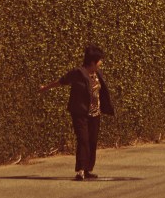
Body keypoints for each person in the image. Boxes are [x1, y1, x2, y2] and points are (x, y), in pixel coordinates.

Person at [40, 44, 115, 181]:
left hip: (95, 113)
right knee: (83, 140)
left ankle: (87, 170)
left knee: (92, 141)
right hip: (80, 113)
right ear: (92, 62)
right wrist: (45, 88)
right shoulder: (78, 73)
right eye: (99, 60)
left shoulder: (97, 74)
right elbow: (62, 81)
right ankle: (80, 170)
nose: (101, 63)